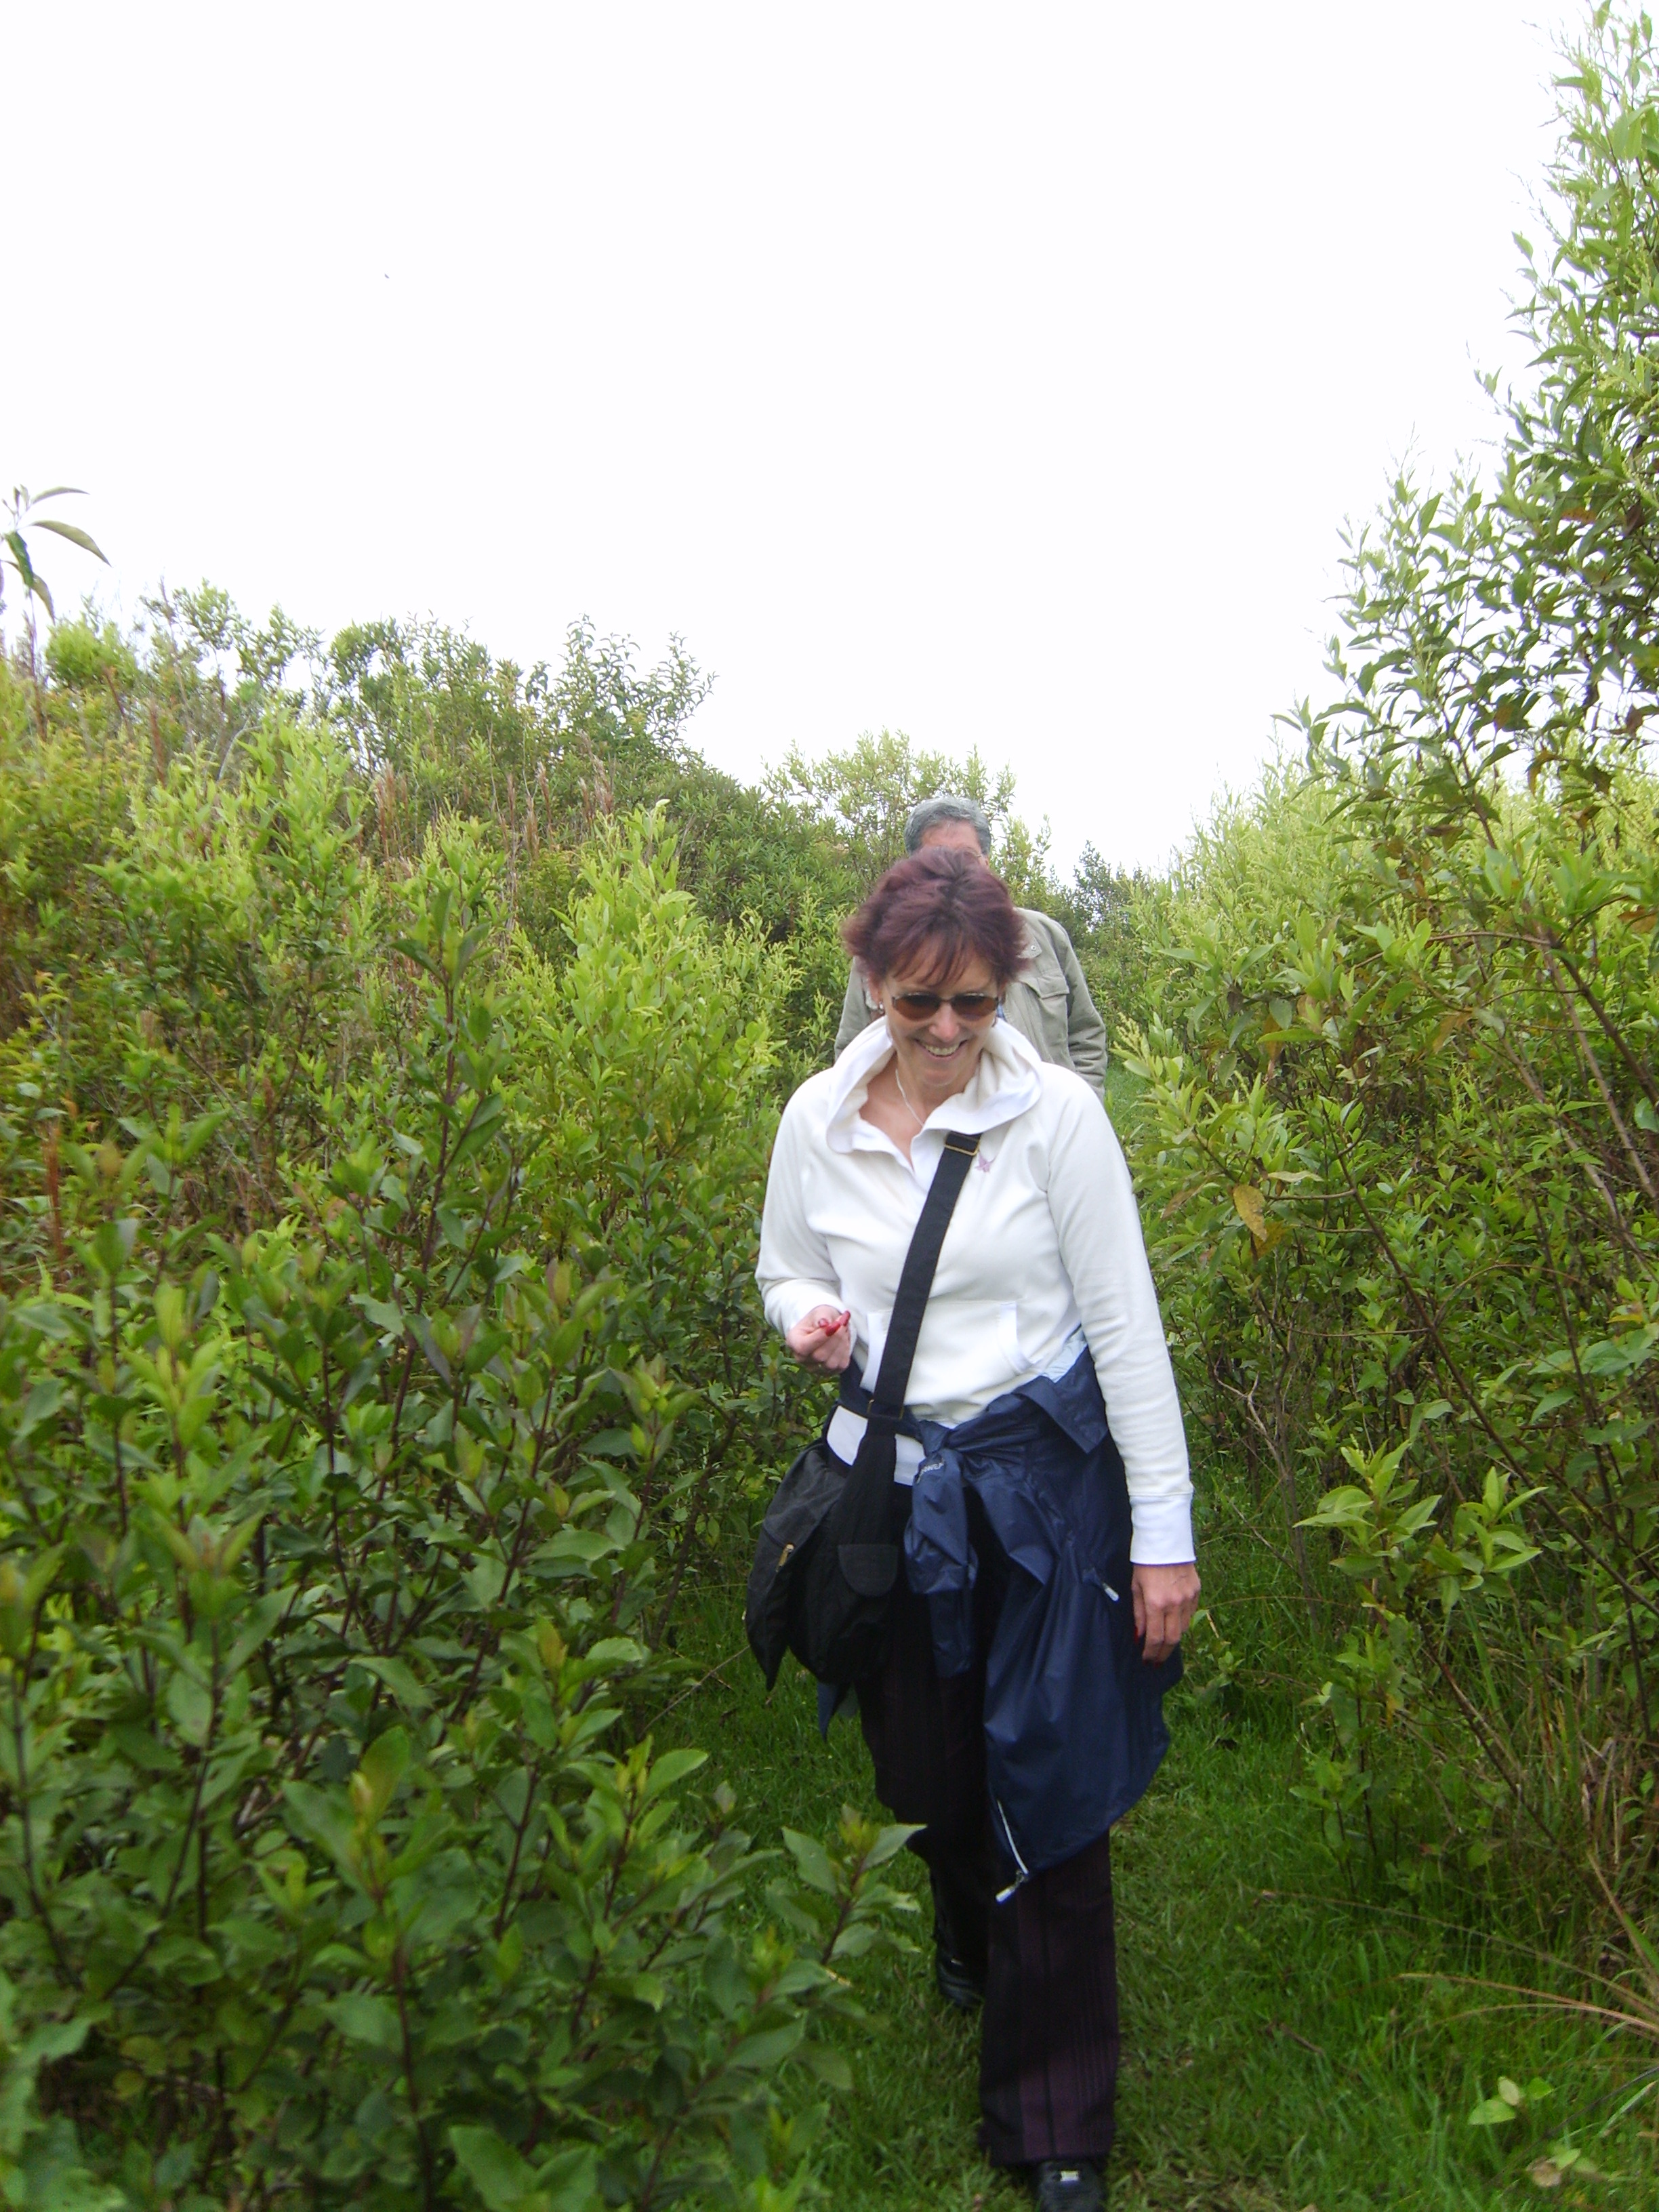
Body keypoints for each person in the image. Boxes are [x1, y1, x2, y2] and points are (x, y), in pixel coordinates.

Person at [757, 846, 1198, 2212]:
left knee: (1051, 1787)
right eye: (917, 1005)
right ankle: (966, 1926)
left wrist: (1163, 1533)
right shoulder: (814, 1123)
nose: (948, 1033)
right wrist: (804, 1320)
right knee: (929, 1781)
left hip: (1041, 1489)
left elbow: (1124, 1324)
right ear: (873, 987)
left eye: (975, 1005)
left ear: (1010, 991)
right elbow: (786, 1260)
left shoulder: (1055, 1117)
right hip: (890, 1482)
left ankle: (1057, 2123)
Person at [834, 794, 1109, 1099]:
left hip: (1039, 1128)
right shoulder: (881, 949)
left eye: (966, 858)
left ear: (987, 863)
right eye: (937, 858)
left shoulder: (1043, 936)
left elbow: (1086, 1035)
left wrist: (1081, 1106)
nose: (953, 871)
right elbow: (851, 1053)